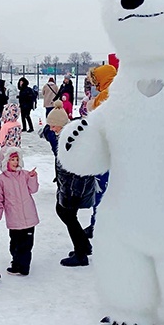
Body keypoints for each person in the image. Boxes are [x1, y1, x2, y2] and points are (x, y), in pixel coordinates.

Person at [41, 101, 95, 266]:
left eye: (53, 126)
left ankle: (81, 254)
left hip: (74, 189)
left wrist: (71, 193)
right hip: (71, 187)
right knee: (67, 214)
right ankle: (84, 246)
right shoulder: (66, 135)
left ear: (60, 125)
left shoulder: (70, 141)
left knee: (67, 214)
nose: (51, 129)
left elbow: (75, 171)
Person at [0, 147, 39, 276]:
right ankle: (16, 263)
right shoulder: (0, 180)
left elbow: (33, 190)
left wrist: (33, 178)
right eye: (12, 159)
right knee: (15, 244)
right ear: (5, 161)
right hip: (14, 219)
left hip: (29, 217)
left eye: (17, 159)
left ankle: (24, 267)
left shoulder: (24, 175)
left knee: (27, 244)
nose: (15, 162)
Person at [84, 64, 117, 237]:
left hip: (107, 152)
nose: (94, 85)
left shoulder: (106, 95)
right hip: (118, 152)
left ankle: (98, 225)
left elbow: (96, 120)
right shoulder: (121, 90)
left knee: (102, 191)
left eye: (95, 81)